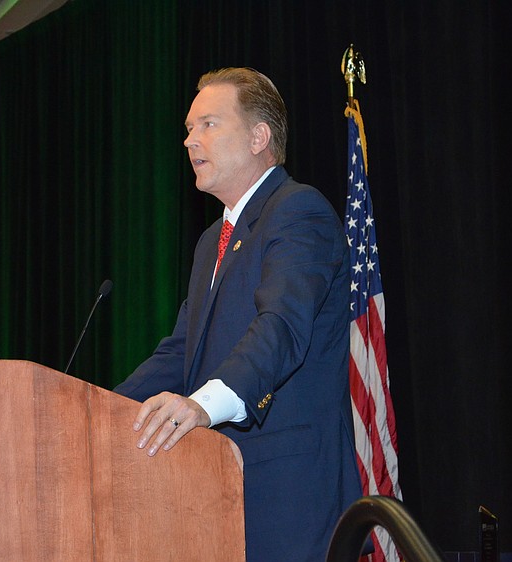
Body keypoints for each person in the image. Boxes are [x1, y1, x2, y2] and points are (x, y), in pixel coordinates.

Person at [114, 67, 362, 562]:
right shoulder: (212, 241)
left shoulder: (298, 211)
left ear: (258, 137)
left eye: (207, 124)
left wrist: (203, 405)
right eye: (188, 128)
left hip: (289, 499)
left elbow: (282, 328)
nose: (189, 141)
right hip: (217, 492)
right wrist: (100, 411)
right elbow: (182, 351)